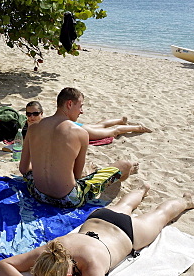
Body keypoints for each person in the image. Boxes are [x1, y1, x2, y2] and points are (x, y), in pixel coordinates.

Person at [0, 185, 194, 276]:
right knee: (127, 206)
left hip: (128, 232)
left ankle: (186, 200)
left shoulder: (91, 267)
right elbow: (1, 266)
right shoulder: (52, 251)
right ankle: (142, 189)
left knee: (162, 215)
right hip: (100, 219)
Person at [19, 87, 138, 209]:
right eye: (80, 106)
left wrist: (43, 169)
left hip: (37, 193)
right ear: (69, 104)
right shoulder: (80, 133)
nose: (82, 111)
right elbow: (77, 176)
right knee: (124, 164)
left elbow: (23, 169)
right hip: (68, 199)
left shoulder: (33, 129)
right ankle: (128, 169)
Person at [22, 101, 151, 141]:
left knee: (112, 132)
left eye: (35, 113)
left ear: (42, 114)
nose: (32, 117)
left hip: (76, 129)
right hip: (73, 127)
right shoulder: (26, 126)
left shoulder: (43, 124)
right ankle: (120, 120)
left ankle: (138, 127)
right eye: (29, 114)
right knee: (98, 125)